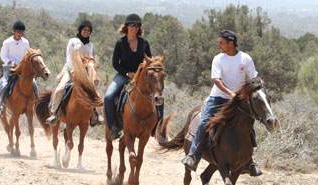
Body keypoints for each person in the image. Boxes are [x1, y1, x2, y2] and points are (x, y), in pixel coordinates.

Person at [181, 30, 262, 176]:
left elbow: (254, 78)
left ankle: (249, 161)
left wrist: (256, 88)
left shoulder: (246, 59)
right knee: (204, 122)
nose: (218, 46)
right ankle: (193, 156)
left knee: (249, 124)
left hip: (238, 100)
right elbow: (217, 81)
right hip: (217, 98)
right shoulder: (218, 59)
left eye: (221, 43)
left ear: (230, 44)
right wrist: (230, 93)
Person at [104, 13, 163, 139]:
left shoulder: (144, 43)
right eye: (132, 25)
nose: (134, 27)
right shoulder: (120, 43)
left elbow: (150, 61)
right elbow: (115, 63)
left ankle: (157, 129)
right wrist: (127, 73)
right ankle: (113, 127)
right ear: (126, 27)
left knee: (159, 95)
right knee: (108, 97)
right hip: (123, 75)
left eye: (137, 25)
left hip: (141, 77)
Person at [46, 20, 104, 125]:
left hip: (85, 71)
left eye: (88, 30)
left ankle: (97, 115)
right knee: (60, 89)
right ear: (80, 30)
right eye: (84, 30)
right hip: (71, 69)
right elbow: (69, 57)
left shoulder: (90, 44)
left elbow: (89, 57)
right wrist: (72, 70)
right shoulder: (73, 41)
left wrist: (91, 67)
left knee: (95, 91)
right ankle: (54, 113)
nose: (86, 32)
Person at [0, 21, 33, 117]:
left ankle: (32, 106)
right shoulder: (7, 42)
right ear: (14, 31)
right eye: (18, 32)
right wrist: (12, 63)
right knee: (5, 84)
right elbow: (3, 56)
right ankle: (0, 108)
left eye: (21, 32)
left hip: (22, 68)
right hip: (9, 68)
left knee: (33, 84)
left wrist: (23, 64)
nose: (20, 34)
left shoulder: (26, 42)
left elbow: (27, 55)